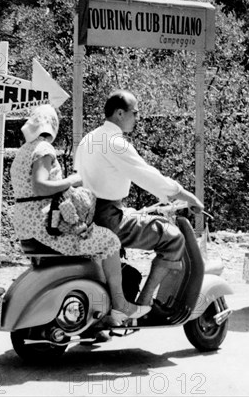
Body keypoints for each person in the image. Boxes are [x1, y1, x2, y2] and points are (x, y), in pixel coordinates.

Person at [10, 104, 151, 324]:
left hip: (27, 225)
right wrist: (72, 181)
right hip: (46, 225)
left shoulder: (23, 151)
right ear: (52, 125)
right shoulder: (44, 149)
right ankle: (121, 305)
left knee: (93, 252)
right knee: (110, 242)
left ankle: (97, 319)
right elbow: (40, 186)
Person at [74, 89, 204, 307]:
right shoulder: (115, 143)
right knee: (172, 237)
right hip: (108, 217)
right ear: (119, 114)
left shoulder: (90, 139)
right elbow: (148, 176)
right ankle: (145, 303)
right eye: (135, 113)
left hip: (87, 214)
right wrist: (187, 196)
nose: (137, 118)